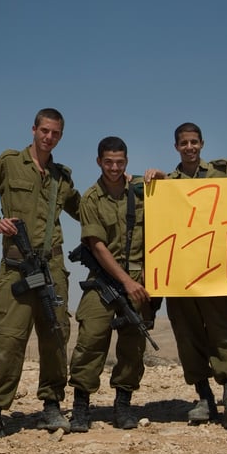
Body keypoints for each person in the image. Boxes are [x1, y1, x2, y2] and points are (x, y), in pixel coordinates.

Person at [0, 108, 81, 441]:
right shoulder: (10, 162)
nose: (49, 137)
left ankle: (52, 406)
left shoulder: (62, 177)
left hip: (53, 267)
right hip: (16, 267)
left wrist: (129, 189)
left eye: (55, 133)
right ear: (33, 129)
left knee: (56, 336)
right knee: (7, 339)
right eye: (44, 130)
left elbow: (85, 209)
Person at [142, 123, 227, 429]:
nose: (189, 147)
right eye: (183, 143)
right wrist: (155, 181)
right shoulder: (167, 183)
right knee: (187, 335)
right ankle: (203, 397)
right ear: (176, 146)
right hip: (180, 274)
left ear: (202, 144)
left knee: (223, 333)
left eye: (194, 142)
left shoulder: (221, 174)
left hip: (217, 270)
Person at [67, 136, 153, 431]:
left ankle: (123, 405)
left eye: (119, 162)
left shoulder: (142, 190)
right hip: (104, 278)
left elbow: (174, 193)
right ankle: (81, 407)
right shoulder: (91, 198)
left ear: (126, 161)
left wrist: (161, 176)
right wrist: (125, 281)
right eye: (108, 162)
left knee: (133, 344)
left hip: (138, 279)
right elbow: (97, 244)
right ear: (99, 162)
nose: (114, 168)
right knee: (91, 339)